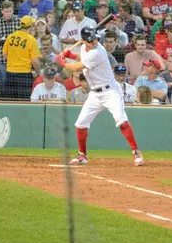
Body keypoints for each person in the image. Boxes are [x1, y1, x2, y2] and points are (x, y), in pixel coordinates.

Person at [57, 26, 145, 166]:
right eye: (90, 40)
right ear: (83, 41)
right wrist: (71, 56)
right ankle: (82, 155)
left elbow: (77, 67)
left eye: (95, 39)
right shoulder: (84, 48)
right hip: (95, 94)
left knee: (121, 120)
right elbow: (81, 58)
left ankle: (136, 152)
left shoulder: (98, 51)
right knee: (81, 124)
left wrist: (62, 61)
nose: (94, 42)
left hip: (110, 92)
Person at [2, 16, 42, 99]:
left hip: (10, 73)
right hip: (24, 74)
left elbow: (4, 54)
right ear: (31, 26)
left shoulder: (11, 36)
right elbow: (35, 61)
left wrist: (14, 61)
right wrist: (39, 73)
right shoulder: (31, 40)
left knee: (10, 100)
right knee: (24, 101)